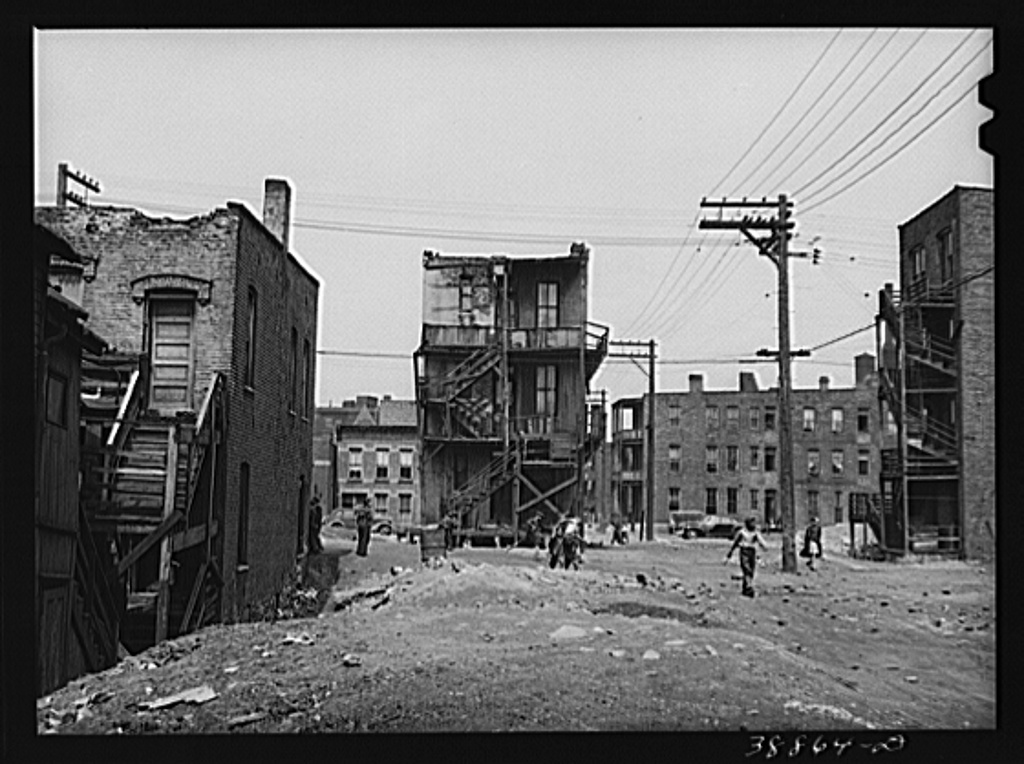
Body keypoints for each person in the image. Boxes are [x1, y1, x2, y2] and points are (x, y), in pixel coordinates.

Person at [725, 516, 769, 597]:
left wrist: (764, 547)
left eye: (754, 523)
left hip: (752, 552)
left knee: (751, 571)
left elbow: (761, 541)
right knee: (746, 569)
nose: (753, 524)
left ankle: (745, 589)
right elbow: (735, 543)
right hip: (744, 551)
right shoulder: (742, 533)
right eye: (751, 523)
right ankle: (749, 587)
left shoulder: (755, 533)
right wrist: (730, 553)